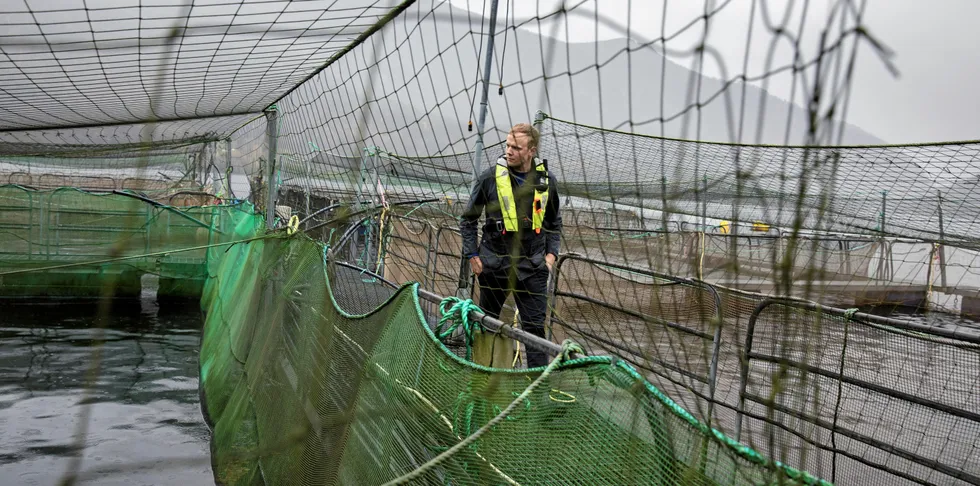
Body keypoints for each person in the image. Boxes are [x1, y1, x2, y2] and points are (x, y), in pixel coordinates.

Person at [460, 123, 562, 368]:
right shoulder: (489, 178)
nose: (509, 151)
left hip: (533, 267)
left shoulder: (546, 181)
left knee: (536, 333)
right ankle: (483, 376)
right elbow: (468, 220)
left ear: (531, 151)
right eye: (507, 145)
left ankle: (537, 389)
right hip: (494, 265)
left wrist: (551, 256)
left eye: (516, 147)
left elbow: (553, 222)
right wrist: (473, 255)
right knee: (488, 324)